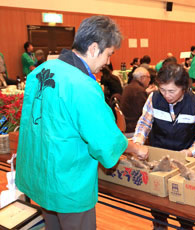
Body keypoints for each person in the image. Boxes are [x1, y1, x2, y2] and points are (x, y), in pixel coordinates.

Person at [15, 15, 147, 230]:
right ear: (94, 48)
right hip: (69, 180)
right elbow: (104, 138)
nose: (107, 62)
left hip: (41, 173)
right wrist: (134, 148)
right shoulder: (82, 85)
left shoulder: (40, 72)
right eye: (109, 54)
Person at [133, 63, 195, 230]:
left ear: (183, 87)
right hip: (159, 157)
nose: (166, 95)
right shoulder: (154, 98)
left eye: (172, 91)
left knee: (185, 205)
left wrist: (190, 152)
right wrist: (138, 142)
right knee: (158, 200)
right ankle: (159, 224)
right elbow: (144, 123)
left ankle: (186, 226)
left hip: (186, 161)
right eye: (163, 89)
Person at [120, 67, 150, 133]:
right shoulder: (139, 91)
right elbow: (145, 113)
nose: (149, 80)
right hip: (133, 127)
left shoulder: (128, 87)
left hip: (126, 124)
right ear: (142, 78)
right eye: (148, 77)